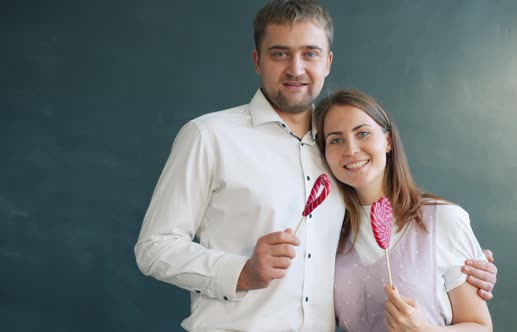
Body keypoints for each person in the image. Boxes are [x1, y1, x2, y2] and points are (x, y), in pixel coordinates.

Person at [134, 1, 497, 331]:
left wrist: (461, 271)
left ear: (327, 62)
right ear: (257, 60)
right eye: (279, 54)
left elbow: (391, 253)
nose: (296, 68)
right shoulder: (208, 136)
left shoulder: (338, 155)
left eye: (310, 53)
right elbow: (154, 247)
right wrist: (240, 272)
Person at [314, 88, 493, 331]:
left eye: (363, 133)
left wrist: (424, 330)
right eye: (335, 140)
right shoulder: (328, 232)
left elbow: (481, 327)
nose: (351, 150)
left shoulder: (444, 219)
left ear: (387, 141)